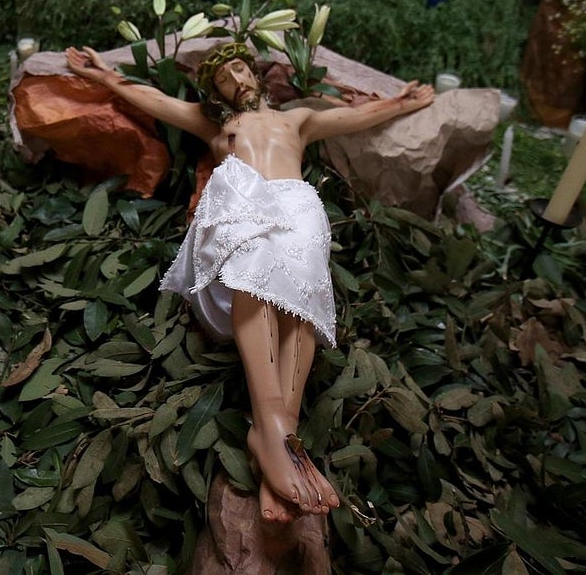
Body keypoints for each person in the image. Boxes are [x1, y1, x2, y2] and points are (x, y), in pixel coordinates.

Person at [64, 42, 434, 524]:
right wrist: (105, 74)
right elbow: (155, 100)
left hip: (296, 204)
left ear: (255, 73)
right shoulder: (216, 125)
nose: (233, 81)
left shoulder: (297, 119)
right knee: (254, 276)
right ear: (216, 94)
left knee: (299, 298)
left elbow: (355, 117)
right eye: (221, 79)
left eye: (238, 69)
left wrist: (402, 100)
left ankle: (276, 448)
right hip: (243, 203)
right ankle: (277, 428)